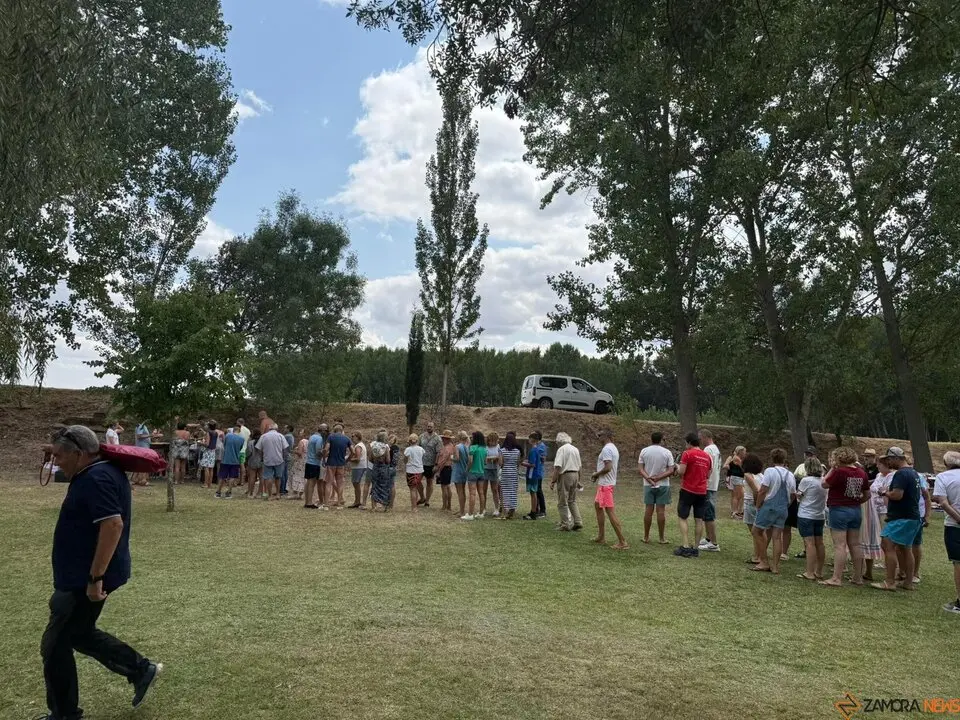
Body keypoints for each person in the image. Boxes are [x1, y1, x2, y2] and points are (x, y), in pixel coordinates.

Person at [40, 426, 161, 720]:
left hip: (85, 578)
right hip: (80, 575)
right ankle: (139, 668)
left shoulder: (96, 477)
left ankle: (64, 714)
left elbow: (112, 525)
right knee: (78, 634)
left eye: (58, 456)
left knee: (55, 646)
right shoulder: (96, 471)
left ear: (79, 454)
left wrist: (95, 579)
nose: (56, 462)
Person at [874, 447, 923, 591]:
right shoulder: (913, 473)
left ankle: (889, 582)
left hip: (901, 517)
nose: (888, 462)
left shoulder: (901, 474)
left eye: (889, 459)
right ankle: (908, 582)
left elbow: (897, 495)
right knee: (906, 548)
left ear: (896, 458)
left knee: (887, 545)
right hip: (912, 516)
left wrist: (884, 492)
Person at [820, 447, 869, 587]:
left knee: (840, 545)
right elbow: (867, 494)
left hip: (839, 509)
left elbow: (824, 484)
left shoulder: (838, 471)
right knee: (855, 544)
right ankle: (858, 577)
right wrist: (855, 501)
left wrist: (831, 468)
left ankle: (836, 578)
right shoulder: (861, 472)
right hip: (855, 510)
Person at [752, 449, 795, 574]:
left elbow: (763, 490)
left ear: (772, 459)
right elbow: (793, 494)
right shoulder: (790, 474)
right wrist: (786, 504)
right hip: (783, 508)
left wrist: (758, 504)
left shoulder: (770, 471)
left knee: (756, 531)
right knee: (777, 537)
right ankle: (775, 566)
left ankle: (763, 561)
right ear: (784, 459)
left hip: (769, 505)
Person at [673, 432, 711, 557]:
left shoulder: (687, 454)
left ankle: (685, 546)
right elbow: (708, 475)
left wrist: (677, 467)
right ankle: (695, 548)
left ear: (689, 442)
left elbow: (682, 472)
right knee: (699, 520)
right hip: (702, 491)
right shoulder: (707, 456)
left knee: (683, 517)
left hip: (688, 490)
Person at [590, 428, 628, 550]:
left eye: (599, 435)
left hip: (605, 485)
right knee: (597, 506)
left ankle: (622, 541)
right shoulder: (613, 447)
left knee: (610, 512)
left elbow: (608, 467)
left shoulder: (607, 449)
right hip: (605, 484)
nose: (598, 437)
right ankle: (601, 536)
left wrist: (596, 474)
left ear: (606, 436)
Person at [932, 451, 960, 614]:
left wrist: (958, 518)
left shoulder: (943, 477)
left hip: (954, 525)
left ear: (945, 463)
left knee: (958, 563)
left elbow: (943, 502)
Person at [638, 432, 675, 544]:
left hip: (648, 485)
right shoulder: (667, 452)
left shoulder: (644, 451)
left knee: (648, 511)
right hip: (663, 485)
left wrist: (649, 479)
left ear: (651, 439)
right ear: (661, 440)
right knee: (661, 511)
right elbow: (671, 470)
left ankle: (646, 537)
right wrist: (658, 478)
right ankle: (661, 538)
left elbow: (640, 469)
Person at [796, 456, 828, 581]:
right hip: (819, 515)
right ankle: (818, 571)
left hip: (806, 514)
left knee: (809, 544)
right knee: (819, 543)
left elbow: (800, 495)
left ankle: (809, 572)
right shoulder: (823, 480)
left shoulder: (806, 480)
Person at [860, 453, 887, 581]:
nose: (877, 466)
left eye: (879, 464)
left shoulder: (891, 477)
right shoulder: (878, 475)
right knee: (868, 538)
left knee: (879, 539)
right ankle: (865, 572)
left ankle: (889, 566)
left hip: (880, 511)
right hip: (872, 510)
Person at [551, 432, 582, 531]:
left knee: (562, 501)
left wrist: (553, 480)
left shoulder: (561, 449)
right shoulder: (575, 449)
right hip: (575, 474)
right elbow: (580, 466)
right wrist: (578, 480)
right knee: (572, 500)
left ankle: (565, 524)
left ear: (559, 441)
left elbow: (558, 466)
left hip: (565, 475)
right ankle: (578, 521)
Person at [698, 429, 722, 553]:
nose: (700, 440)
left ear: (706, 437)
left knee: (709, 514)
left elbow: (708, 467)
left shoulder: (708, 450)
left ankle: (714, 543)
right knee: (707, 513)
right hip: (713, 484)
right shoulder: (715, 449)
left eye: (701, 438)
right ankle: (708, 538)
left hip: (708, 485)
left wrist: (703, 480)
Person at [741, 453, 765, 564]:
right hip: (759, 503)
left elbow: (756, 490)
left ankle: (758, 556)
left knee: (755, 532)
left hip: (751, 503)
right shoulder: (761, 475)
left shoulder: (748, 475)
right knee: (760, 531)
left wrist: (756, 503)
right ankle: (760, 554)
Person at [323, 424, 352, 509]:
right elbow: (353, 451)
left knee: (328, 483)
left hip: (331, 463)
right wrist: (347, 460)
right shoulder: (346, 438)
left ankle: (326, 503)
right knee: (340, 483)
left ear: (334, 430)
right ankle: (339, 503)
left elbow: (326, 449)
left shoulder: (331, 437)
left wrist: (324, 459)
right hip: (341, 464)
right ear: (342, 430)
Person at [256, 424, 287, 501]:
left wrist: (262, 457)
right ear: (276, 429)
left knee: (268, 477)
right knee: (278, 477)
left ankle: (269, 495)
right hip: (279, 459)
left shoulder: (264, 436)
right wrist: (283, 457)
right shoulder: (280, 436)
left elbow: (258, 449)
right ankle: (278, 494)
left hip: (267, 459)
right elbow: (285, 448)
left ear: (269, 429)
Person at [522, 431, 547, 521]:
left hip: (533, 474)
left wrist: (522, 463)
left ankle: (534, 512)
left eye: (529, 438)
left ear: (533, 439)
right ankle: (534, 510)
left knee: (533, 492)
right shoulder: (536, 449)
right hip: (536, 474)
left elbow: (532, 464)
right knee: (535, 492)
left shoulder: (533, 450)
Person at [216, 427, 245, 499]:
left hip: (225, 459)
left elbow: (224, 445)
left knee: (222, 476)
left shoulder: (228, 436)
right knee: (232, 477)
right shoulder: (242, 439)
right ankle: (228, 492)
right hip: (235, 460)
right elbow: (240, 449)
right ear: (239, 431)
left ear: (233, 431)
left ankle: (218, 492)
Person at [419, 423, 443, 508]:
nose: (429, 428)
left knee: (429, 482)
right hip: (421, 463)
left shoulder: (437, 438)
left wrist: (436, 464)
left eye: (431, 426)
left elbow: (439, 452)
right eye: (428, 426)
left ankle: (427, 501)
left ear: (433, 427)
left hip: (431, 464)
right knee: (417, 481)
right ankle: (422, 497)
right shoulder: (421, 436)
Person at [369, 430, 393, 511]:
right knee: (384, 486)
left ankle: (373, 506)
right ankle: (384, 506)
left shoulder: (373, 446)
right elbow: (388, 460)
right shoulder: (385, 447)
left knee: (374, 486)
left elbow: (370, 458)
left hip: (375, 468)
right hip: (383, 468)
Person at [465, 431, 486, 520]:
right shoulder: (484, 449)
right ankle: (481, 513)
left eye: (472, 437)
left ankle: (470, 514)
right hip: (481, 472)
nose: (471, 438)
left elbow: (470, 461)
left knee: (472, 494)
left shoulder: (473, 447)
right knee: (481, 493)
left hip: (473, 472)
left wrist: (467, 469)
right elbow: (485, 462)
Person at [303, 426, 326, 509]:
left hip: (309, 462)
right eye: (326, 430)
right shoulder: (319, 439)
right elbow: (318, 452)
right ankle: (309, 503)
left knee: (308, 482)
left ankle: (307, 501)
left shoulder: (312, 436)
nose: (326, 432)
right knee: (312, 483)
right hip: (314, 463)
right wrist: (324, 453)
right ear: (323, 431)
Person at [482, 432, 502, 517]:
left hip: (494, 469)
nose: (493, 442)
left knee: (494, 489)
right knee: (484, 490)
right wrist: (492, 458)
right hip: (485, 469)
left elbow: (500, 457)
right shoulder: (485, 447)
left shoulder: (498, 447)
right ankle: (483, 508)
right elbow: (483, 458)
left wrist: (492, 458)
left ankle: (496, 508)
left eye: (495, 441)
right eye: (492, 441)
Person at [404, 433, 426, 512]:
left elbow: (405, 459)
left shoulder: (408, 449)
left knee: (412, 489)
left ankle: (414, 507)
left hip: (411, 470)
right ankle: (418, 502)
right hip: (419, 470)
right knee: (417, 486)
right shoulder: (421, 449)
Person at [436, 431, 456, 513]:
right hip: (449, 468)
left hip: (444, 468)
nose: (442, 439)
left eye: (444, 438)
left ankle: (445, 505)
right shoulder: (451, 446)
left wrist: (438, 470)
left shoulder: (446, 448)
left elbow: (443, 461)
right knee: (447, 487)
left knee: (444, 487)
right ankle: (448, 505)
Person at [452, 431, 471, 518]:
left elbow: (457, 458)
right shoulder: (467, 447)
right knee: (462, 491)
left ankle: (462, 511)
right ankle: (462, 509)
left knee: (459, 492)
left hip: (458, 470)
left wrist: (451, 457)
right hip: (464, 470)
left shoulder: (457, 446)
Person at [349, 432, 369, 509]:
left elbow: (357, 459)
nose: (351, 437)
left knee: (356, 483)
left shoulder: (358, 446)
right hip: (361, 466)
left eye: (353, 436)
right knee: (356, 484)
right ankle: (357, 501)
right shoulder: (361, 445)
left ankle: (357, 501)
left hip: (358, 467)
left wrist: (349, 459)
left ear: (357, 437)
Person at [725, 445, 746, 519]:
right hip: (737, 478)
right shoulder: (737, 458)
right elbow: (743, 468)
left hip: (736, 478)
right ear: (740, 452)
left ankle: (736, 512)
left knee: (737, 495)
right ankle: (735, 513)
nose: (745, 453)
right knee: (737, 496)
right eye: (744, 452)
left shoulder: (735, 458)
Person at [199, 421, 218, 489]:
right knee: (211, 468)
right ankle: (210, 484)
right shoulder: (216, 433)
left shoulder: (208, 433)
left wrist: (201, 443)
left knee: (206, 467)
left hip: (208, 451)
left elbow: (207, 444)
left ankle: (206, 483)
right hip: (213, 451)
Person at [132, 421, 152, 486]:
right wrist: (151, 435)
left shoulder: (142, 426)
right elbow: (139, 436)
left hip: (143, 447)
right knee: (143, 464)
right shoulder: (141, 426)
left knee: (140, 464)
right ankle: (142, 480)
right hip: (142, 448)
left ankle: (135, 479)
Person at [290, 432, 308, 501]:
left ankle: (297, 493)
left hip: (300, 461)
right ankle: (301, 493)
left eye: (300, 434)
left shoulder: (301, 442)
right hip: (306, 460)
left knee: (297, 476)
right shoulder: (308, 441)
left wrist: (294, 451)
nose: (298, 435)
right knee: (303, 477)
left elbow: (300, 453)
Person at [236, 418, 251, 487]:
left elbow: (235, 437)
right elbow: (249, 440)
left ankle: (239, 480)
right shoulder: (248, 430)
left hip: (238, 449)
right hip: (244, 449)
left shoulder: (238, 429)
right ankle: (242, 480)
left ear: (239, 422)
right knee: (242, 465)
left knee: (238, 465)